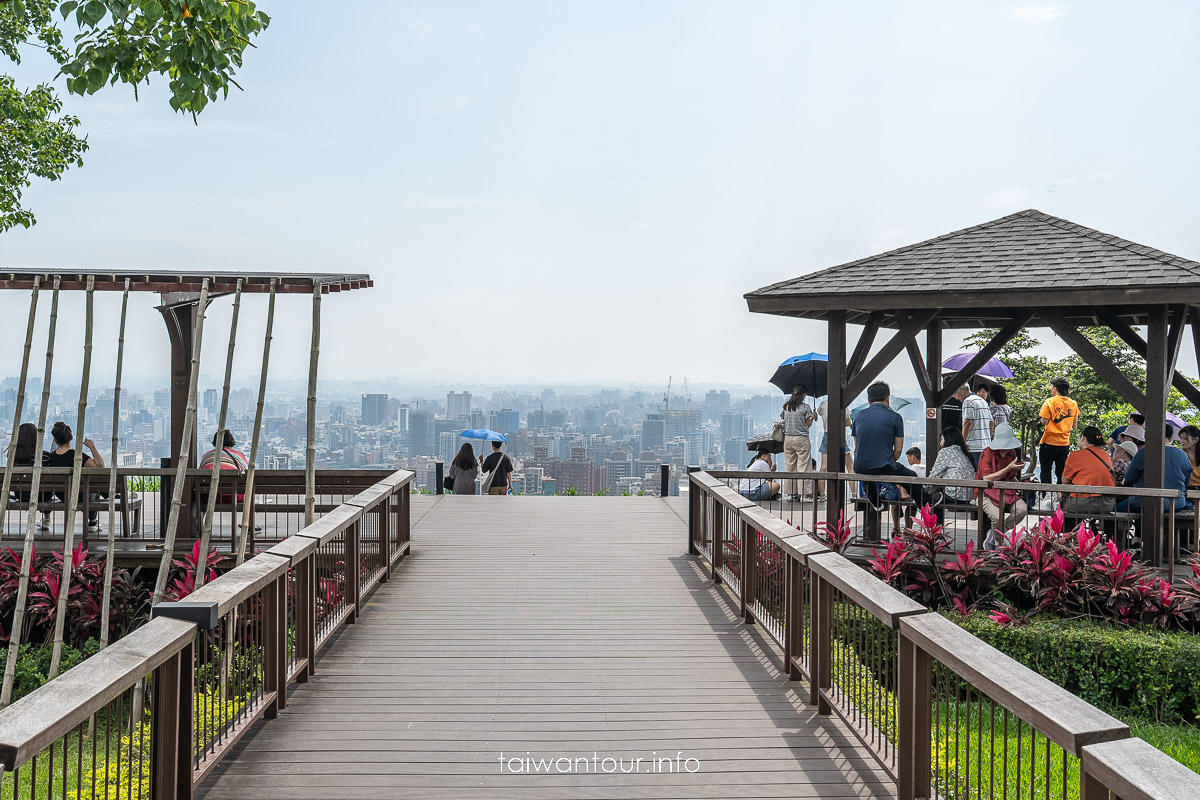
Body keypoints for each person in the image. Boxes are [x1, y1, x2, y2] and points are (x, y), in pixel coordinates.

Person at [852, 382, 936, 511]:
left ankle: (876, 502)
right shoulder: (895, 417)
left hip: (860, 466)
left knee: (866, 476)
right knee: (911, 476)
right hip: (884, 464)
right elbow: (898, 449)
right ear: (887, 397)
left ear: (869, 400)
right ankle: (924, 505)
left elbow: (856, 446)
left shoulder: (858, 416)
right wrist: (889, 460)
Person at [1117, 424, 1193, 513]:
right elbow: (1187, 481)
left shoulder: (1144, 452)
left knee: (1115, 510)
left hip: (1144, 502)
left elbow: (1129, 478)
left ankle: (1135, 527)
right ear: (1171, 437)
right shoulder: (1182, 454)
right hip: (1176, 504)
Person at [45, 421, 105, 532]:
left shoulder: (51, 457)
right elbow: (100, 467)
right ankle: (92, 522)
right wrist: (92, 447)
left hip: (62, 495)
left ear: (55, 440)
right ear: (70, 438)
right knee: (93, 489)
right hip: (81, 495)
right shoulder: (76, 455)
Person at [976, 424, 1027, 548]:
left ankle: (994, 536)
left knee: (1022, 509)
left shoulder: (1012, 453)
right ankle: (998, 545)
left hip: (1005, 492)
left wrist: (1018, 485)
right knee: (997, 517)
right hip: (985, 493)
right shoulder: (987, 452)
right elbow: (987, 478)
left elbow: (1011, 476)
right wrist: (1008, 468)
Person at [1061, 426, 1116, 516]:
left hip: (1083, 502)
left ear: (1083, 437)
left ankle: (1071, 530)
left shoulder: (1076, 455)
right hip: (1107, 503)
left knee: (1064, 510)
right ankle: (1092, 529)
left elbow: (1065, 481)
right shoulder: (1105, 455)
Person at [1038, 376, 1079, 487]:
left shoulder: (1049, 402)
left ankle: (1046, 496)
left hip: (1049, 442)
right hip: (1064, 444)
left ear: (1055, 388)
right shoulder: (1073, 404)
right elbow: (1074, 425)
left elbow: (1045, 421)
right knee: (1061, 472)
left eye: (1052, 387)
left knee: (1046, 471)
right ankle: (1061, 499)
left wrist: (1043, 419)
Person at [10, 423, 51, 527]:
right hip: (42, 495)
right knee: (47, 486)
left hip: (21, 494)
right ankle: (47, 519)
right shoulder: (45, 455)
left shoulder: (13, 456)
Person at [781, 385, 815, 501]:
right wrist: (813, 417)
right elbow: (808, 424)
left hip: (788, 439)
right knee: (804, 466)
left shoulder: (786, 406)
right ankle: (804, 495)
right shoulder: (805, 407)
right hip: (801, 439)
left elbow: (783, 420)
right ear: (804, 395)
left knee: (790, 466)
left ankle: (790, 494)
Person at [927, 427, 977, 505]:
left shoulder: (946, 451)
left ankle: (937, 517)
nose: (940, 443)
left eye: (942, 440)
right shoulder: (965, 453)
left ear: (948, 440)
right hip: (968, 497)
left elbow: (934, 474)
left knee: (929, 500)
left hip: (953, 495)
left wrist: (924, 491)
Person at [817, 398, 853, 501]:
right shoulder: (842, 405)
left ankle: (823, 495)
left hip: (827, 434)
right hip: (839, 435)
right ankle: (854, 494)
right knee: (850, 467)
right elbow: (848, 422)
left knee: (823, 467)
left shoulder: (822, 404)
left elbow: (820, 414)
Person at [961, 383, 992, 457]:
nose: (956, 398)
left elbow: (968, 422)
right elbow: (991, 422)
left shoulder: (968, 401)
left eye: (955, 395)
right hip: (986, 445)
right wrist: (988, 437)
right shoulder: (983, 401)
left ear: (962, 392)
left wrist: (962, 443)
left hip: (973, 447)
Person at [1180, 425, 1200, 490]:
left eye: (1185, 438)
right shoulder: (1181, 453)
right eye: (1181, 438)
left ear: (1196, 439)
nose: (1182, 441)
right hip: (1186, 489)